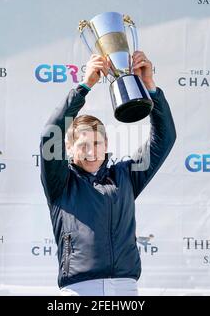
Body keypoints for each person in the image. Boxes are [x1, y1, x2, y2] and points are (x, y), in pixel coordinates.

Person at [40, 51, 176, 296]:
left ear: (106, 144)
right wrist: (85, 86)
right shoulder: (60, 182)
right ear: (68, 148)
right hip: (80, 289)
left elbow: (165, 139)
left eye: (97, 143)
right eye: (83, 145)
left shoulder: (125, 176)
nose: (91, 152)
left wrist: (150, 89)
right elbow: (50, 135)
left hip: (125, 288)